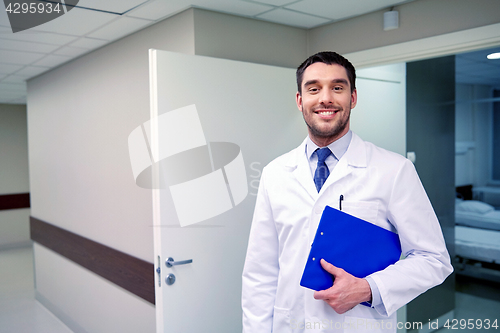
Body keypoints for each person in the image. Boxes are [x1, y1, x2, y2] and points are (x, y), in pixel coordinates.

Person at [241, 51, 453, 332]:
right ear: (300, 100)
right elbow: (261, 273)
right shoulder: (275, 173)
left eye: (337, 88)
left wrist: (368, 288)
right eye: (313, 88)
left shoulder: (393, 170)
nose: (325, 98)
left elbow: (433, 259)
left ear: (352, 98)